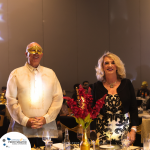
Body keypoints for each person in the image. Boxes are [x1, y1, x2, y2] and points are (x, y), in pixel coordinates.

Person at [6, 42, 63, 147]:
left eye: (38, 51)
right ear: (26, 54)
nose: (35, 53)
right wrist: (25, 120)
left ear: (42, 54)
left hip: (46, 130)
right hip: (22, 131)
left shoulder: (50, 74)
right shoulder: (16, 74)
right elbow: (11, 100)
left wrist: (46, 118)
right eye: (32, 50)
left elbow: (58, 98)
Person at [91, 52, 138, 145]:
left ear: (117, 66)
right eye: (106, 63)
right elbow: (93, 112)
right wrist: (92, 131)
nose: (110, 65)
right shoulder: (96, 86)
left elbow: (133, 109)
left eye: (113, 62)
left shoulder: (127, 84)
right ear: (102, 67)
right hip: (101, 133)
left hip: (124, 132)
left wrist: (133, 129)